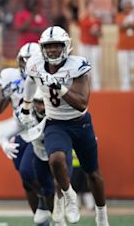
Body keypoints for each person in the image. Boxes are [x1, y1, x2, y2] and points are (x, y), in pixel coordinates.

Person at [19, 26, 109, 226]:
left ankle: (101, 214)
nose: (52, 50)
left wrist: (58, 86)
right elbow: (31, 82)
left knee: (92, 173)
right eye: (48, 46)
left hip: (81, 123)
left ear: (66, 46)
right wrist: (26, 106)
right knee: (56, 159)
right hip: (55, 122)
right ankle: (69, 196)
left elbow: (81, 103)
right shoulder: (35, 63)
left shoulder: (78, 65)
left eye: (56, 46)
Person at [0, 43, 55, 225]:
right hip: (20, 129)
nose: (26, 65)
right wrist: (6, 93)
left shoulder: (46, 75)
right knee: (26, 181)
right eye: (23, 61)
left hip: (41, 129)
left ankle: (48, 200)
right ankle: (41, 220)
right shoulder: (11, 77)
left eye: (30, 61)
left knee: (29, 172)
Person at [77, 0, 103, 91]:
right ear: (87, 8)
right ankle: (85, 86)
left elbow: (101, 34)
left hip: (94, 45)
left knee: (95, 65)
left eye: (94, 7)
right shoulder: (83, 18)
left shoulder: (98, 21)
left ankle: (96, 85)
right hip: (84, 45)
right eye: (90, 7)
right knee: (84, 66)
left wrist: (96, 32)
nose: (92, 9)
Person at [115, 0, 134, 91]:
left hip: (132, 47)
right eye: (126, 6)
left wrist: (127, 24)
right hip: (122, 47)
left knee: (132, 67)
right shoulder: (120, 16)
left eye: (130, 6)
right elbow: (120, 26)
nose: (128, 8)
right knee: (123, 67)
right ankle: (125, 87)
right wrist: (128, 24)